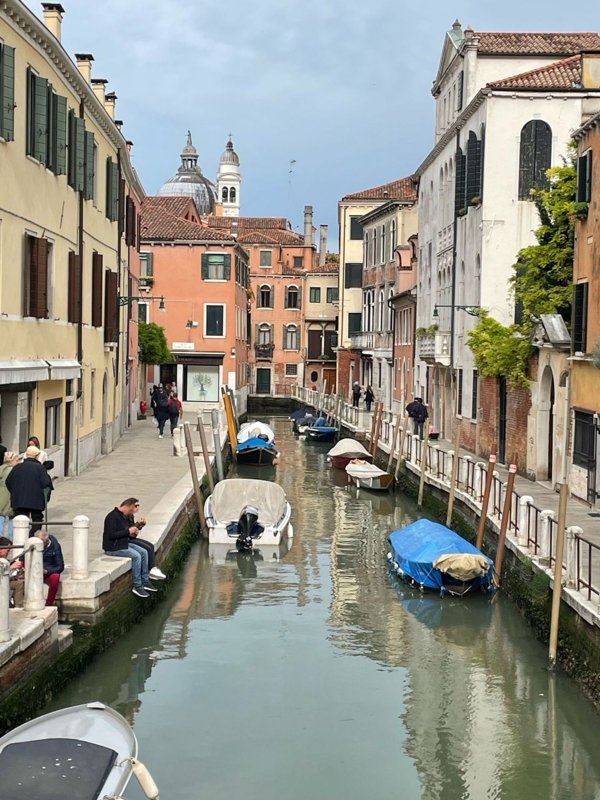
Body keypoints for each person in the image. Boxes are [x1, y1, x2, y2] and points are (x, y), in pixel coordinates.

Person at [103, 498, 160, 597]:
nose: (135, 510)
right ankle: (137, 586)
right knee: (136, 556)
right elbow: (111, 535)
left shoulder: (126, 516)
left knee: (144, 552)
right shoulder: (112, 517)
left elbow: (130, 533)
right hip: (113, 547)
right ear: (128, 506)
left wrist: (138, 526)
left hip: (124, 543)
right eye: (135, 507)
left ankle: (145, 581)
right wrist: (128, 531)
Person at [5, 445, 52, 533]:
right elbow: (46, 483)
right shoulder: (40, 468)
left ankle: (21, 539)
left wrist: (15, 492)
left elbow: (8, 481)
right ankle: (32, 537)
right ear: (37, 456)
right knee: (37, 519)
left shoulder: (17, 467)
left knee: (20, 520)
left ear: (26, 454)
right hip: (36, 500)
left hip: (19, 500)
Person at [124, 498, 166, 581]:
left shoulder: (130, 515)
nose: (137, 508)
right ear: (130, 506)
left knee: (150, 546)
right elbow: (128, 531)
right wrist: (137, 524)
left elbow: (133, 532)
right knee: (144, 551)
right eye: (136, 506)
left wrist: (140, 525)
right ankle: (147, 574)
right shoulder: (122, 516)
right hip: (124, 540)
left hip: (129, 538)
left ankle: (153, 569)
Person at [34, 529, 64, 606]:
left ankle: (49, 603)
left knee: (55, 577)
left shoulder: (55, 546)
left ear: (46, 541)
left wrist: (47, 571)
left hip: (47, 571)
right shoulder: (32, 544)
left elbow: (60, 566)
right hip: (34, 569)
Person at [0, 535, 24, 607]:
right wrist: (10, 568)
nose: (9, 553)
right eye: (8, 550)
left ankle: (18, 607)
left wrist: (15, 576)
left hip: (4, 581)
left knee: (19, 583)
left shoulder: (6, 560)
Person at [0, 452, 19, 539]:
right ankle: (9, 543)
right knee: (10, 523)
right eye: (17, 460)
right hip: (9, 499)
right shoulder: (13, 471)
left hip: (2, 499)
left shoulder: (1, 468)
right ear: (12, 461)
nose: (18, 462)